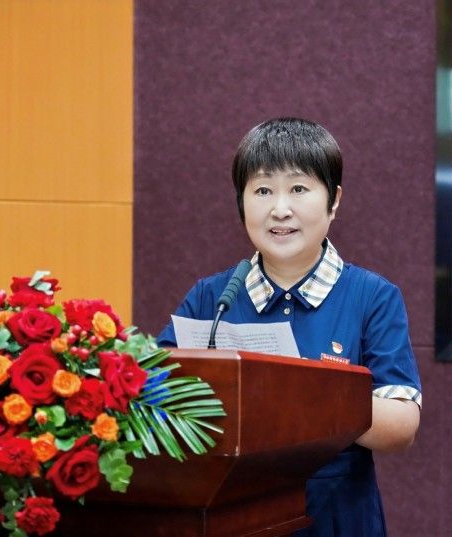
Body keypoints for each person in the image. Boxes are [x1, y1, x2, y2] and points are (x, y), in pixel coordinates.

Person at [157, 117, 422, 537]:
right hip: (230, 518)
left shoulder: (372, 296)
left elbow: (402, 426)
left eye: (298, 188)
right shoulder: (212, 297)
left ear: (334, 200)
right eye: (263, 190)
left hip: (337, 520)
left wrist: (302, 394)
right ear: (241, 202)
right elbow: (155, 396)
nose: (280, 209)